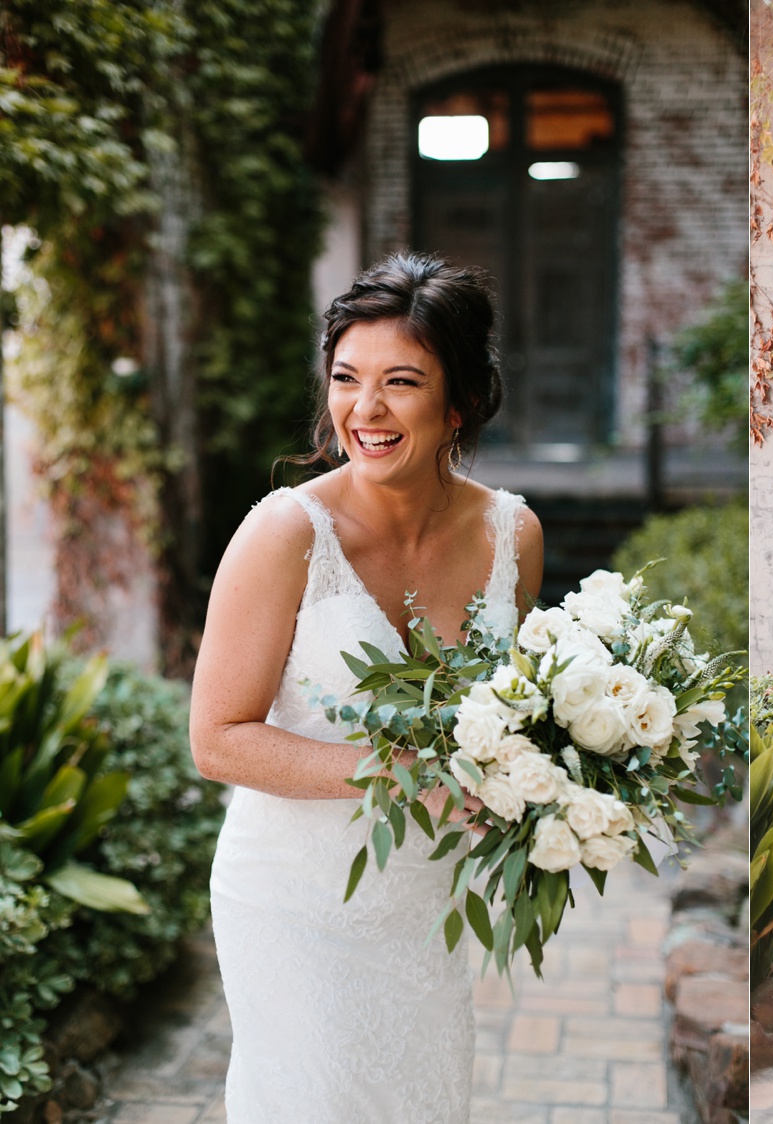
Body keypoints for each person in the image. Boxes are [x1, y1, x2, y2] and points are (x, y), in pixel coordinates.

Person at [191, 251, 543, 1122]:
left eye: (400, 382)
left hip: (425, 897)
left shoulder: (513, 534)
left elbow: (505, 713)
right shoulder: (286, 532)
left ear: (458, 399)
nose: (365, 410)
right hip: (292, 896)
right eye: (346, 379)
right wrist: (398, 774)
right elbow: (217, 738)